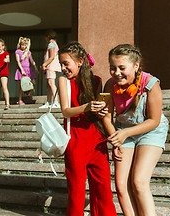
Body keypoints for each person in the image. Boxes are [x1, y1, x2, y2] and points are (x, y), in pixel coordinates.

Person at [102, 44, 168, 216]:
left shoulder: (151, 84)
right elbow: (107, 118)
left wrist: (123, 134)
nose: (117, 73)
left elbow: (154, 120)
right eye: (112, 68)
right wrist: (116, 140)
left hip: (151, 130)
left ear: (136, 65)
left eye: (122, 68)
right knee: (121, 185)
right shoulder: (110, 85)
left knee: (139, 181)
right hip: (123, 131)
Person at [58, 42, 116, 215]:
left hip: (97, 139)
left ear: (80, 61)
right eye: (61, 64)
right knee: (76, 190)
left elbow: (97, 113)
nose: (63, 68)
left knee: (103, 187)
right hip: (75, 139)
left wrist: (100, 111)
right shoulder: (64, 81)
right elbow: (65, 111)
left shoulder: (96, 81)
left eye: (65, 63)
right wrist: (88, 106)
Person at [40, 30, 62, 109]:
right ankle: (49, 102)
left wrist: (44, 64)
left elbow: (52, 56)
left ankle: (56, 102)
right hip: (50, 67)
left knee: (51, 83)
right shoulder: (54, 44)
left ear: (48, 37)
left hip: (50, 66)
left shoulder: (51, 44)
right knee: (48, 84)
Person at [14, 37, 39, 105]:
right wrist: (22, 70)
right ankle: (20, 99)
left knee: (33, 83)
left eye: (25, 45)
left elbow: (32, 61)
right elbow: (18, 61)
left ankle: (28, 93)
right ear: (20, 44)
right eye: (22, 45)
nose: (24, 46)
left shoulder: (28, 52)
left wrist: (35, 68)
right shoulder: (18, 52)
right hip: (22, 69)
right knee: (22, 85)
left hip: (28, 69)